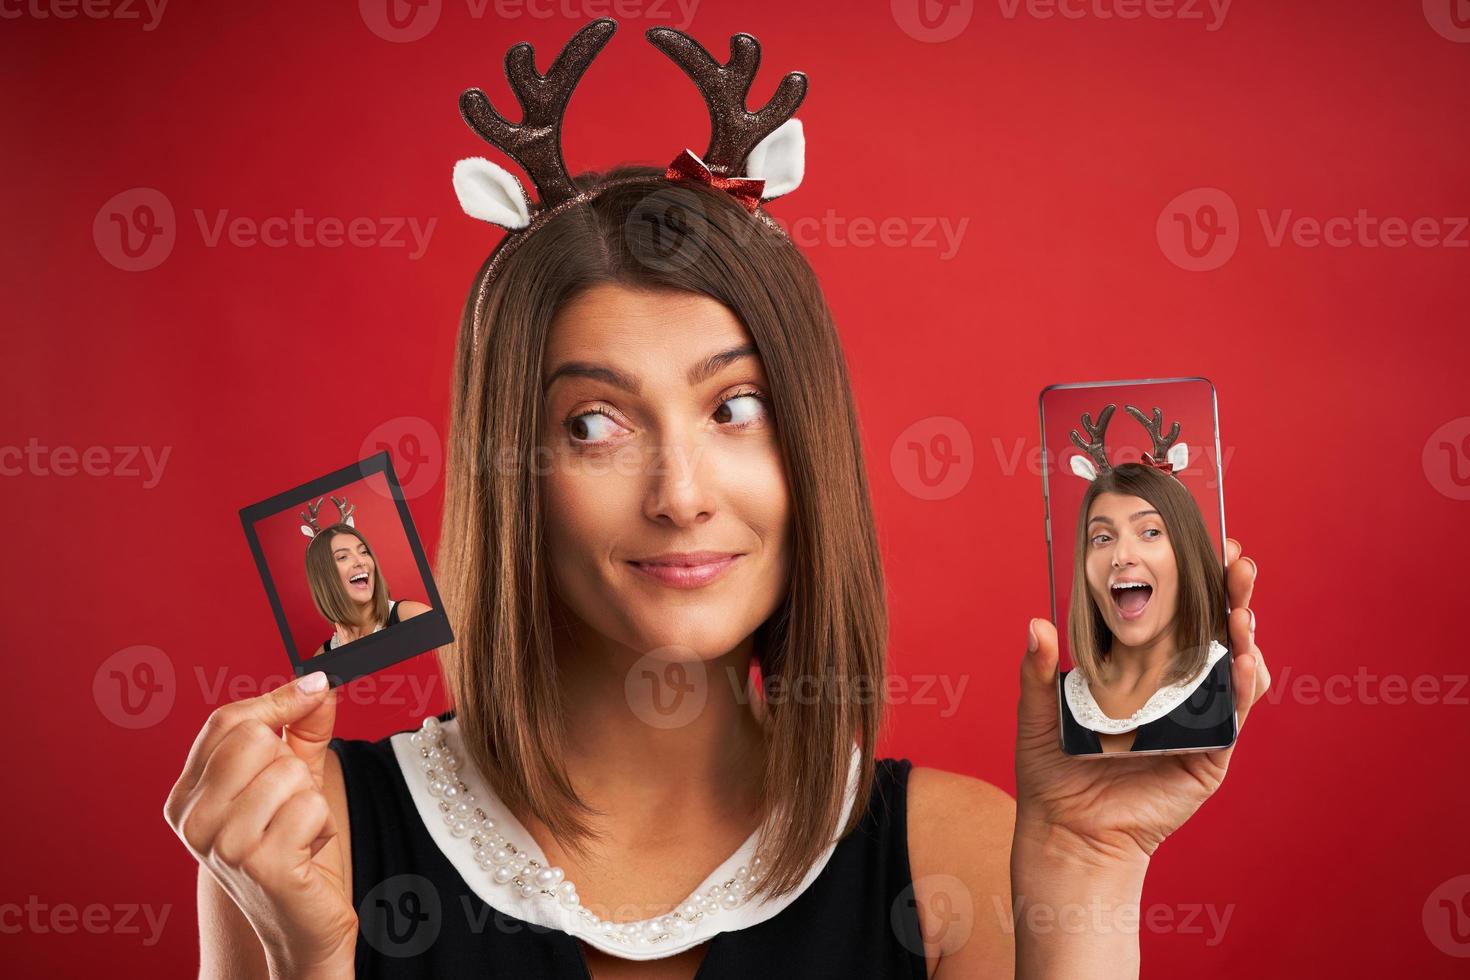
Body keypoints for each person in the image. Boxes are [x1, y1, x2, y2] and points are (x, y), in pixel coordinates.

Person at [163, 20, 1272, 978]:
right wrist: (305, 959)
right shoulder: (308, 843)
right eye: (592, 425)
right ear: (515, 481)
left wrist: (1090, 864)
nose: (682, 494)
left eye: (735, 407)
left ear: (810, 448)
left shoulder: (962, 856)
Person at [1059, 461, 1235, 755]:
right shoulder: (1057, 698)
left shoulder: (1226, 682)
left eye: (1150, 532)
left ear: (1186, 552)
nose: (1121, 556)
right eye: (1102, 538)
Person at [299, 502, 430, 657]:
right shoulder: (322, 657)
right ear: (324, 577)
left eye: (363, 552)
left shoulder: (414, 616)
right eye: (342, 557)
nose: (360, 561)